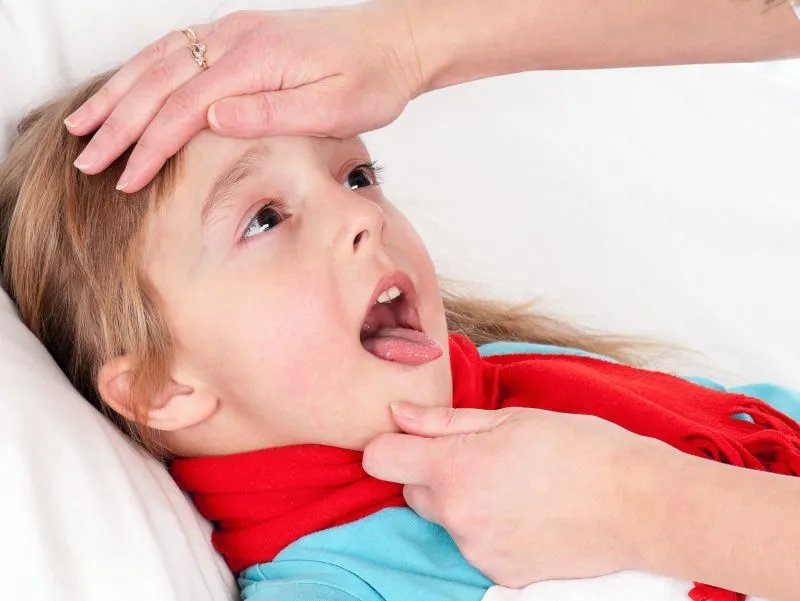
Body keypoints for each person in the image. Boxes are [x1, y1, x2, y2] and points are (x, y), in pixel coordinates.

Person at [11, 0, 800, 599]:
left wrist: (645, 504)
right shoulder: (333, 581)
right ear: (161, 388)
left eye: (356, 175)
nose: (361, 214)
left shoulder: (513, 376)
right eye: (264, 218)